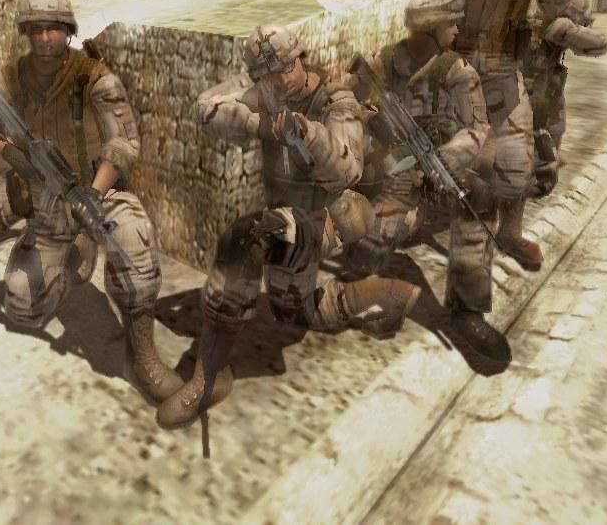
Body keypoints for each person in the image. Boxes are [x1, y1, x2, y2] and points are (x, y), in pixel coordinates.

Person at [156, 24, 421, 429]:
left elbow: (349, 170)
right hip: (288, 217)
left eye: (286, 68)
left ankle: (208, 375)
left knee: (245, 240)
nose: (280, 80)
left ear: (300, 58)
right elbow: (205, 107)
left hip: (329, 219)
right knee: (297, 312)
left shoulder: (336, 101)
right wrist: (261, 125)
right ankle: (389, 292)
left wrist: (308, 134)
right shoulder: (267, 92)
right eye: (268, 75)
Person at [0, 0, 183, 402]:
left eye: (54, 28)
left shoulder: (95, 80)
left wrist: (94, 196)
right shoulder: (7, 81)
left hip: (97, 193)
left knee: (132, 238)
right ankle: (73, 265)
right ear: (27, 33)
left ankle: (142, 358)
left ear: (67, 30)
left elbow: (124, 144)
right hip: (46, 207)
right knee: (22, 305)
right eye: (37, 29)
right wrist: (7, 151)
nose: (46, 38)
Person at [347, 0, 505, 357]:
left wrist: (443, 161)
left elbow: (477, 129)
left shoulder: (456, 71)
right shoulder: (384, 61)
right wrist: (371, 121)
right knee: (365, 254)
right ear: (431, 27)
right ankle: (385, 289)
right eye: (451, 24)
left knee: (478, 196)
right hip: (389, 173)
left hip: (435, 171)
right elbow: (344, 99)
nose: (456, 31)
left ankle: (468, 312)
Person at [430, 0, 577, 272]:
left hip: (503, 66)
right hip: (461, 63)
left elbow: (559, 8)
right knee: (452, 145)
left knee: (516, 152)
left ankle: (510, 232)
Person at [524, 0, 607, 197]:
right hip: (513, 100)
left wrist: (564, 30)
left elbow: (598, 44)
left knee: (542, 178)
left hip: (541, 100)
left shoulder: (558, 10)